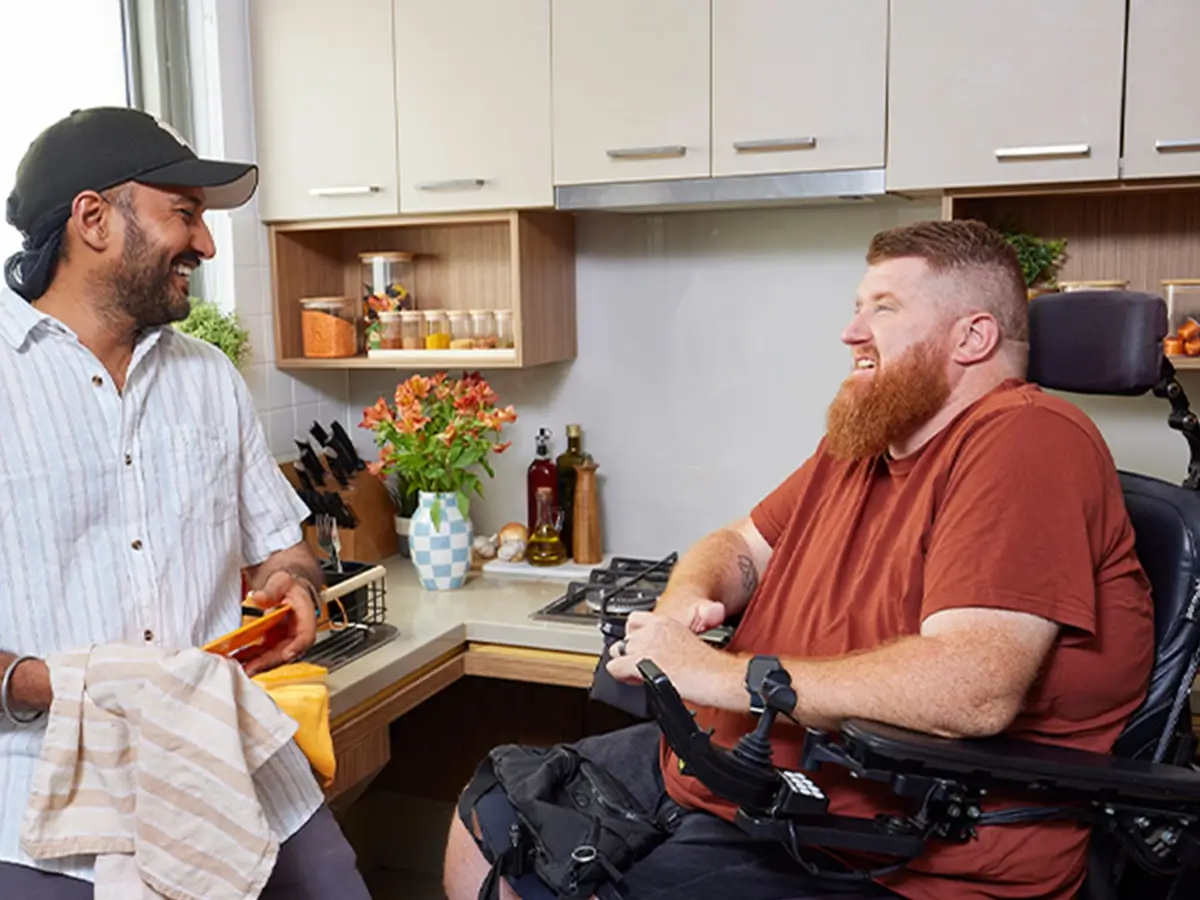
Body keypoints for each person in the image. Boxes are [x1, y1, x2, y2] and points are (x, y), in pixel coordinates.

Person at [444, 219, 1155, 900]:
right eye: (856, 307)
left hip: (890, 845)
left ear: (972, 336)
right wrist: (681, 613)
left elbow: (974, 686)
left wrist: (719, 675)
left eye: (883, 308)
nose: (851, 332)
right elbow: (739, 546)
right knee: (493, 816)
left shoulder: (1027, 440)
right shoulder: (867, 441)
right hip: (746, 777)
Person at [0, 107, 371, 898]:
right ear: (93, 219)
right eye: (186, 214)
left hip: (228, 760)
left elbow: (282, 547)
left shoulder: (207, 375)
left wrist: (294, 587)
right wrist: (58, 683)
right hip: (45, 805)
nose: (204, 244)